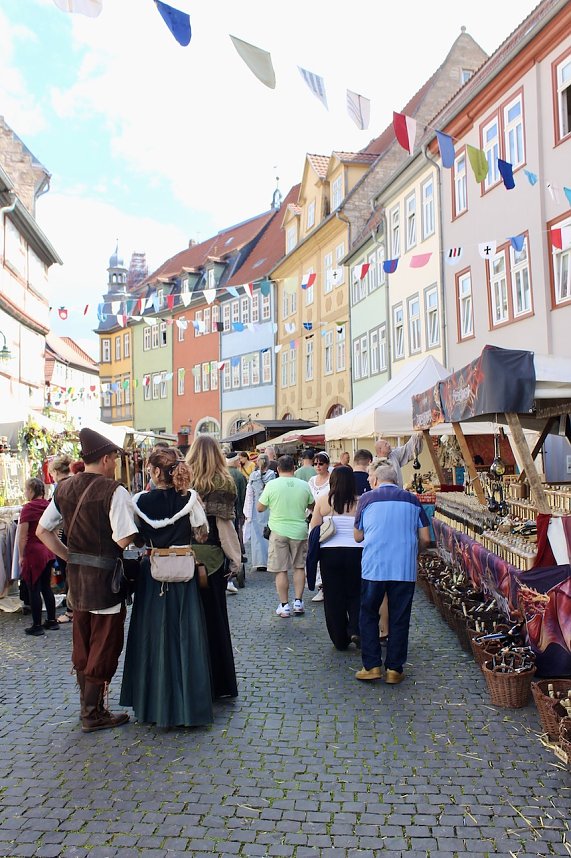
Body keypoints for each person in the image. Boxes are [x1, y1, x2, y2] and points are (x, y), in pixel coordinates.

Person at [37, 427, 139, 732]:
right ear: (106, 459)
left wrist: (70, 556)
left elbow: (42, 531)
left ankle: (89, 708)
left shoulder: (64, 488)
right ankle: (93, 714)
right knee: (105, 645)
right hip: (106, 582)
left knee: (83, 643)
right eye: (114, 459)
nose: (115, 464)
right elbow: (124, 538)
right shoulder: (114, 491)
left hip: (77, 582)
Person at [119, 448, 213, 728]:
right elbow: (202, 534)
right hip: (183, 572)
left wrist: (154, 539)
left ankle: (153, 706)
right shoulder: (190, 498)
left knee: (153, 637)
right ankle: (188, 708)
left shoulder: (139, 501)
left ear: (157, 471)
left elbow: (136, 539)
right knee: (185, 635)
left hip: (153, 574)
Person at [354, 462, 430, 683]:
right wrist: (414, 548)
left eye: (371, 479)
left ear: (377, 480)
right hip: (404, 568)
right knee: (400, 617)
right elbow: (426, 538)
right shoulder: (412, 500)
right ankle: (394, 670)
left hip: (374, 567)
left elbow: (357, 536)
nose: (369, 481)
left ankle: (372, 666)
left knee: (369, 614)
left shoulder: (366, 499)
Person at [186, 435, 241, 699]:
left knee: (189, 620)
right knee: (215, 620)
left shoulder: (183, 481)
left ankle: (192, 680)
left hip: (184, 557)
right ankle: (218, 683)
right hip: (212, 559)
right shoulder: (224, 482)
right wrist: (236, 559)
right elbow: (224, 526)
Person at [308, 466, 362, 650]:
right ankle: (355, 628)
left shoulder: (323, 500)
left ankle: (339, 638)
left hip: (330, 553)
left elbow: (314, 528)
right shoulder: (360, 502)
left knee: (333, 596)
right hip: (356, 552)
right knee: (356, 592)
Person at [257, 455, 314, 618]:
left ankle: (284, 605)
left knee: (280, 569)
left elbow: (260, 507)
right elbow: (312, 505)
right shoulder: (304, 485)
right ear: (294, 468)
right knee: (299, 567)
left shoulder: (272, 485)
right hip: (299, 530)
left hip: (278, 530)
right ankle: (298, 602)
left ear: (278, 469)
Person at [17, 478, 56, 637]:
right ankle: (52, 620)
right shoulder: (48, 506)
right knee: (46, 586)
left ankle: (37, 625)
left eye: (26, 490)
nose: (25, 493)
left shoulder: (28, 508)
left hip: (34, 552)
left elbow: (22, 535)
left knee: (34, 587)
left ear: (32, 491)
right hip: (49, 549)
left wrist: (21, 555)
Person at [48, 454, 74, 624]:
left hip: (65, 534)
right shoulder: (75, 483)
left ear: (57, 472)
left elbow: (47, 525)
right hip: (78, 533)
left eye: (52, 473)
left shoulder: (60, 488)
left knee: (68, 572)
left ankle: (71, 610)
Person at [243, 453, 276, 571]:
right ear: (268, 463)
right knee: (269, 533)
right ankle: (269, 560)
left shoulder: (253, 475)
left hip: (255, 508)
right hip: (268, 507)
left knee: (257, 535)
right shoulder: (272, 475)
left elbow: (249, 494)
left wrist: (247, 512)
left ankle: (259, 561)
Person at [308, 451, 332, 602]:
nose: (317, 466)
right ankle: (319, 585)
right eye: (315, 464)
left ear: (327, 465)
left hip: (328, 520)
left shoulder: (332, 480)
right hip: (314, 519)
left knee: (326, 553)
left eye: (321, 463)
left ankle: (327, 585)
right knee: (313, 551)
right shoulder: (311, 480)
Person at [225, 451, 247, 590]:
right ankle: (235, 564)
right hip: (235, 512)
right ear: (235, 461)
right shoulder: (239, 476)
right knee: (235, 539)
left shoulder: (222, 473)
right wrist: (242, 513)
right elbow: (243, 496)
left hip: (224, 513)